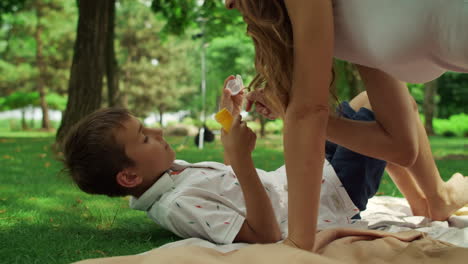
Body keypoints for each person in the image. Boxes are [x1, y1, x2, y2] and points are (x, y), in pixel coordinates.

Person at [224, 0, 468, 250]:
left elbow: (308, 112)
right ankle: (436, 198)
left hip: (333, 182)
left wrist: (297, 244)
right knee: (373, 106)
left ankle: (438, 197)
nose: (227, 5)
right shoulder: (352, 31)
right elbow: (401, 145)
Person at [62, 83, 392, 245]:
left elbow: (228, 184)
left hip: (311, 176)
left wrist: (227, 117)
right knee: (384, 98)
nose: (158, 131)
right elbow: (265, 236)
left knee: (368, 103)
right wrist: (245, 162)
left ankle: (432, 196)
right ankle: (433, 199)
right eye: (144, 137)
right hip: (332, 197)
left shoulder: (169, 175)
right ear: (131, 176)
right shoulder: (177, 207)